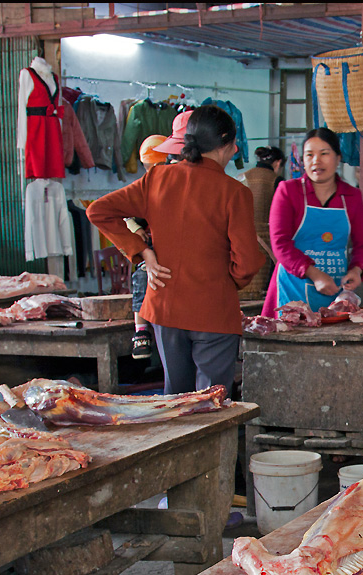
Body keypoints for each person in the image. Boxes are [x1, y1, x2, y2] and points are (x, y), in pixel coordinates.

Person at [86, 105, 263, 396]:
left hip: (165, 307)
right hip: (213, 312)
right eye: (233, 144)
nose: (234, 150)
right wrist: (223, 281)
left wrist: (142, 251)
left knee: (175, 400)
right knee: (213, 403)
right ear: (225, 143)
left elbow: (98, 211)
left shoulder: (157, 179)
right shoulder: (235, 192)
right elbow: (245, 263)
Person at [261, 127, 363, 317]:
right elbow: (280, 244)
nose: (316, 161)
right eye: (309, 155)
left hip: (334, 293)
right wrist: (314, 274)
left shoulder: (351, 196)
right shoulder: (288, 191)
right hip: (292, 290)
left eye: (324, 154)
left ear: (338, 158)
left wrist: (356, 270)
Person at [125, 132, 171, 359]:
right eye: (149, 167)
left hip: (177, 246)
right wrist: (137, 231)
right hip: (154, 249)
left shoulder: (177, 185)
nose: (152, 171)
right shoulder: (143, 189)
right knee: (142, 274)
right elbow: (127, 216)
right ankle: (140, 330)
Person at [238, 145, 285, 297]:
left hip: (240, 239)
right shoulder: (276, 180)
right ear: (277, 163)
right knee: (264, 290)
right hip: (266, 242)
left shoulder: (243, 176)